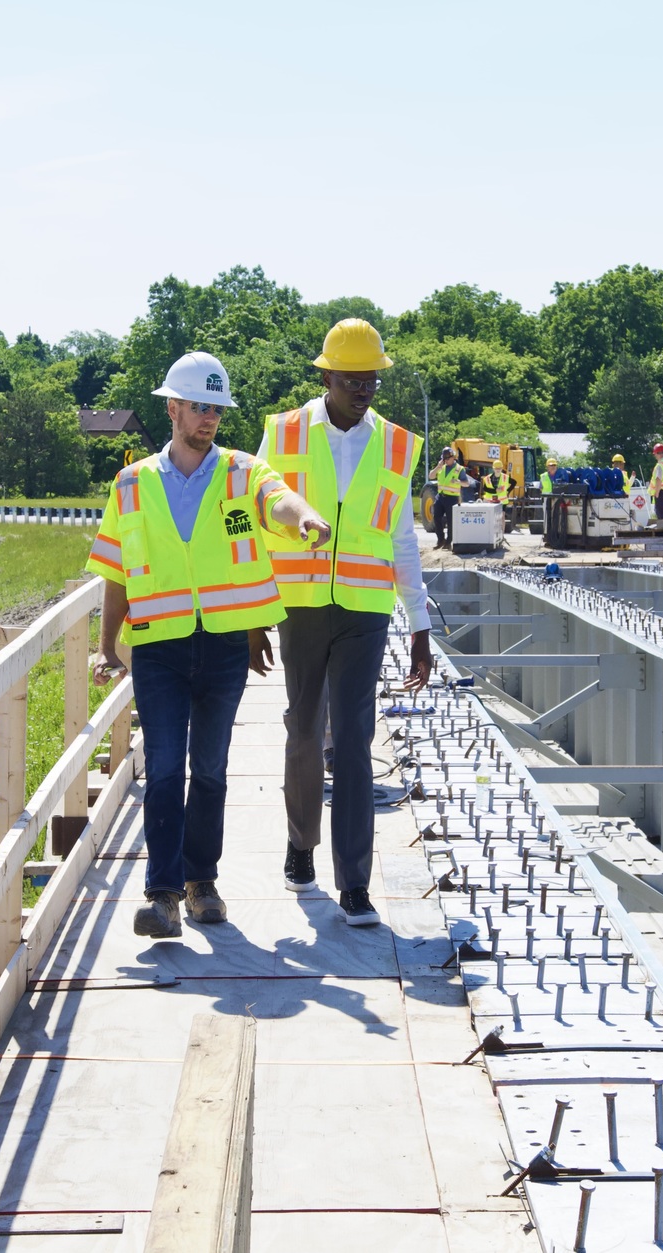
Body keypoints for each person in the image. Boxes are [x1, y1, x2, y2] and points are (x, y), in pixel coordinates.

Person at [88, 352, 331, 939]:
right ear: (172, 408)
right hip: (159, 648)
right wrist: (105, 647)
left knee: (213, 770)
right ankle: (163, 895)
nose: (210, 419)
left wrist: (305, 519)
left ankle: (202, 882)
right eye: (200, 406)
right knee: (166, 769)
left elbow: (279, 502)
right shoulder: (131, 483)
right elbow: (116, 572)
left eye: (217, 409)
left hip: (224, 647)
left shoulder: (244, 475)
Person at [260, 319, 432, 927]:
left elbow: (403, 539)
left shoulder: (396, 445)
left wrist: (419, 624)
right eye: (353, 379)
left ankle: (354, 881)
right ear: (326, 375)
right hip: (300, 606)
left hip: (364, 609)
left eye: (373, 380)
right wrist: (254, 613)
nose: (365, 389)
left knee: (355, 743)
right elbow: (253, 517)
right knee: (304, 730)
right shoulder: (280, 434)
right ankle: (300, 844)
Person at [428, 446, 466, 549]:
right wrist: (437, 467)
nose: (445, 461)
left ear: (453, 457)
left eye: (447, 459)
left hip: (452, 498)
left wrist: (459, 482)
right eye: (444, 459)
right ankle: (440, 540)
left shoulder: (459, 469)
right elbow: (431, 476)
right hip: (440, 497)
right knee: (436, 517)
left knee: (450, 521)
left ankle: (449, 542)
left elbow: (466, 483)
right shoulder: (441, 468)